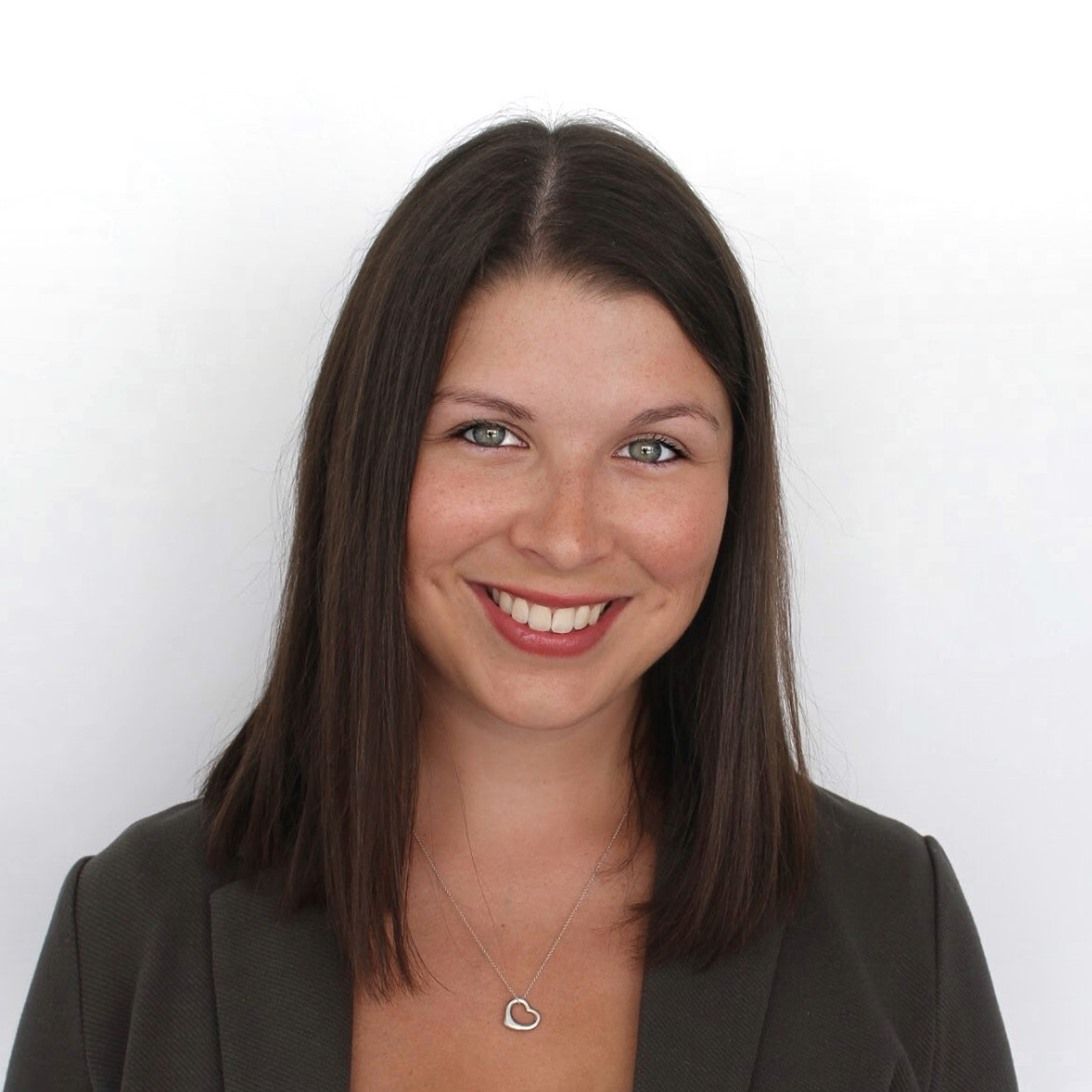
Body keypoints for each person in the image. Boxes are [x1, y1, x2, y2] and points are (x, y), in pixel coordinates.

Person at [5, 116, 1019, 1091]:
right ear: (371, 460)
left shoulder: (895, 930)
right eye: (490, 435)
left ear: (734, 491)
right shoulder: (135, 936)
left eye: (652, 449)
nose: (567, 535)